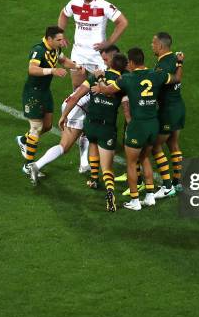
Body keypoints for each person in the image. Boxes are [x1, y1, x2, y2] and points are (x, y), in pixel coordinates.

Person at [92, 48, 184, 211]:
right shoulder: (157, 74)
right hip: (153, 124)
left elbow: (107, 90)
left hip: (137, 126)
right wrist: (179, 63)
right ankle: (149, 196)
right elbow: (177, 78)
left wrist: (100, 78)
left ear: (132, 63)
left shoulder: (127, 79)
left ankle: (135, 200)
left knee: (132, 162)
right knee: (145, 158)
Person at [56, 52, 129, 212]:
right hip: (107, 128)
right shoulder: (123, 83)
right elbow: (125, 105)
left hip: (90, 124)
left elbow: (75, 98)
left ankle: (94, 179)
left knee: (93, 146)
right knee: (107, 167)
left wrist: (63, 116)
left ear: (110, 64)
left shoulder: (96, 76)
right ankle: (110, 192)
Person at [16, 26, 79, 175]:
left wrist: (77, 66)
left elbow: (63, 60)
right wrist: (52, 70)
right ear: (49, 39)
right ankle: (28, 165)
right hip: (33, 93)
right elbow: (32, 69)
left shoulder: (55, 49)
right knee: (36, 128)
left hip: (45, 92)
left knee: (48, 126)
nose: (61, 42)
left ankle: (24, 140)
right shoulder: (39, 50)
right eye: (58, 39)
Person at [58, 0, 128, 88]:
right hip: (79, 52)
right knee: (77, 87)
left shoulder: (104, 5)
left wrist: (109, 42)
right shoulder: (74, 3)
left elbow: (122, 22)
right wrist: (60, 35)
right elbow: (64, 14)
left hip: (98, 54)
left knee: (102, 87)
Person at [149, 32, 186, 200]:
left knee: (156, 147)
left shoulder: (163, 65)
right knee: (173, 143)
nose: (151, 45)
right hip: (179, 107)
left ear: (161, 45)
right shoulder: (174, 59)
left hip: (168, 110)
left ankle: (167, 186)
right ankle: (177, 181)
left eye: (153, 43)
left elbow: (173, 80)